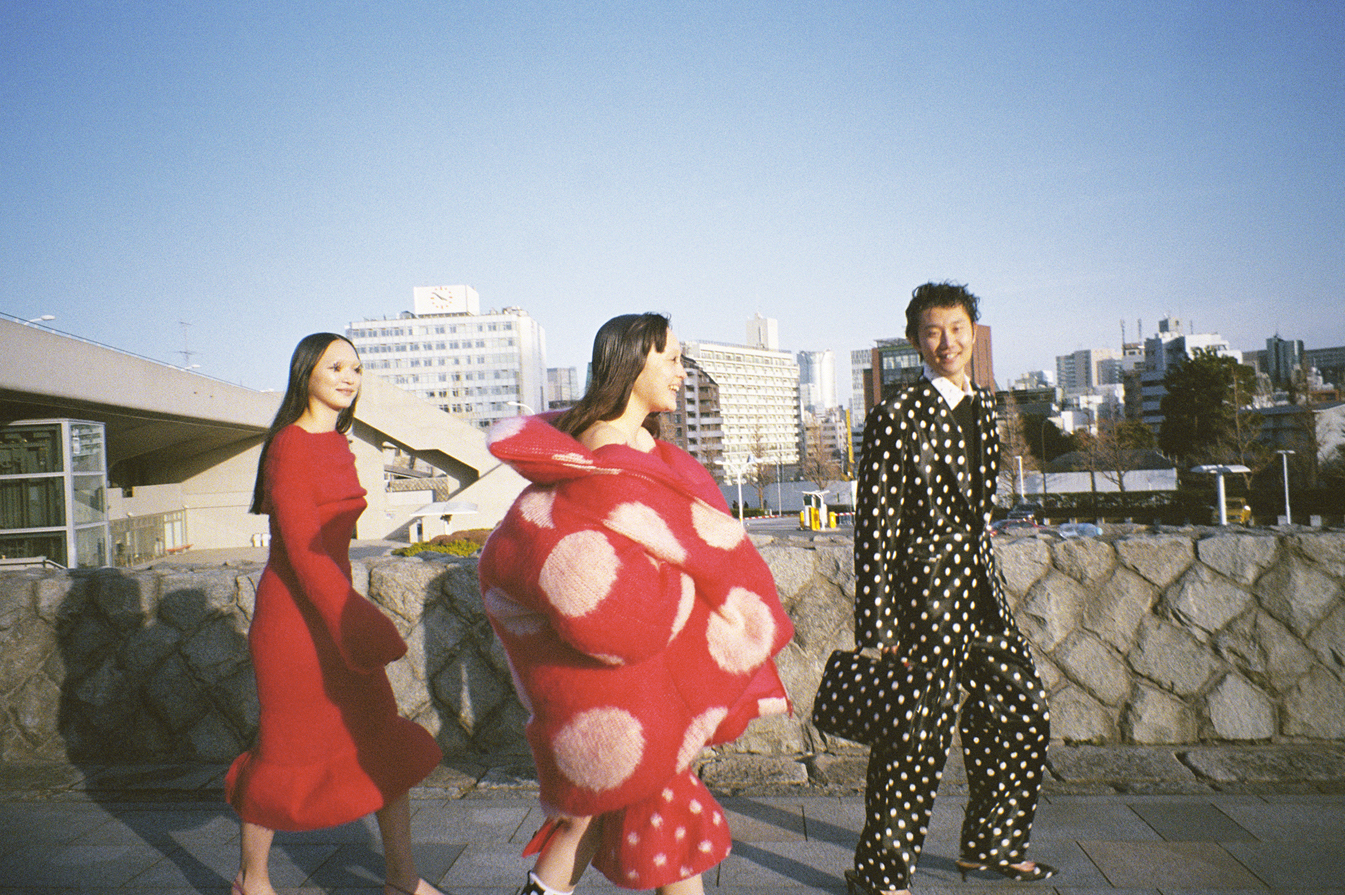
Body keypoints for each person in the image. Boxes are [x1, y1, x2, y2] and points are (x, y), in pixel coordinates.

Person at [478, 313, 794, 895]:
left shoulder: (635, 448)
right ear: (632, 363)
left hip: (633, 687)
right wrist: (687, 590)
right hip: (620, 688)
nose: (681, 372)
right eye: (671, 358)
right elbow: (603, 586)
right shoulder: (605, 454)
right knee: (631, 820)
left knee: (606, 821)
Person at [846, 284, 1054, 895]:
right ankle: (880, 876)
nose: (947, 342)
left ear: (973, 333)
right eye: (933, 331)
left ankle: (991, 845)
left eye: (957, 328)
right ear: (916, 342)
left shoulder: (984, 405)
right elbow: (875, 526)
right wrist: (879, 625)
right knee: (913, 737)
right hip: (921, 599)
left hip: (980, 592)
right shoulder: (896, 414)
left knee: (1023, 710)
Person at [225, 333, 444, 895]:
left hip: (338, 614)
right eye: (337, 367)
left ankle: (402, 878)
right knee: (282, 751)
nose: (350, 377)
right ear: (307, 374)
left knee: (381, 744)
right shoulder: (289, 445)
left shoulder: (336, 442)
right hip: (295, 626)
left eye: (357, 368)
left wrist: (350, 619)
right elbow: (303, 551)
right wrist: (359, 622)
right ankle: (253, 880)